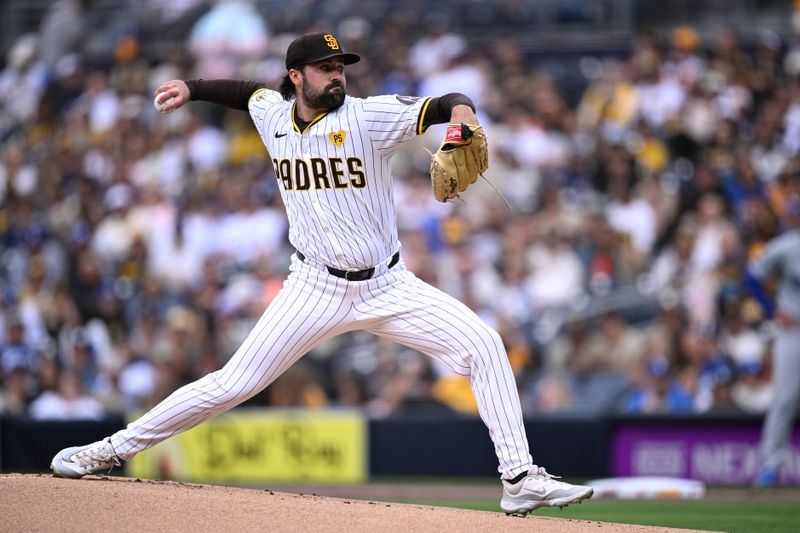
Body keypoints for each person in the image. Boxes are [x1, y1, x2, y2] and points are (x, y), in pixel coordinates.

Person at [50, 31, 593, 515]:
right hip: (314, 287)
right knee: (229, 386)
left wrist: (464, 115)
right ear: (297, 77)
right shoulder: (272, 113)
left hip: (388, 285)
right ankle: (109, 450)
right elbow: (244, 92)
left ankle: (519, 478)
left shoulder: (367, 117)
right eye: (327, 69)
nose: (338, 77)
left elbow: (443, 103)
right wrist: (191, 87)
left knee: (484, 344)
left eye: (341, 68)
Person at [747, 194, 800, 488]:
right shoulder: (785, 246)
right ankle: (770, 466)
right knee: (786, 397)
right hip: (793, 330)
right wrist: (772, 311)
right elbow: (752, 278)